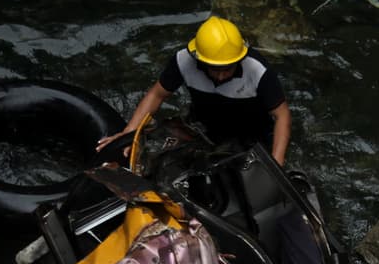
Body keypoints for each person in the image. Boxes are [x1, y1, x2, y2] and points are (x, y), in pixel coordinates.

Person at [96, 15, 292, 165]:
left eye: (228, 69)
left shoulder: (258, 71)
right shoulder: (184, 61)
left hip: (251, 134)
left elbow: (281, 116)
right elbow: (157, 94)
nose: (222, 76)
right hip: (204, 126)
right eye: (215, 69)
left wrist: (277, 164)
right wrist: (129, 132)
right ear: (200, 59)